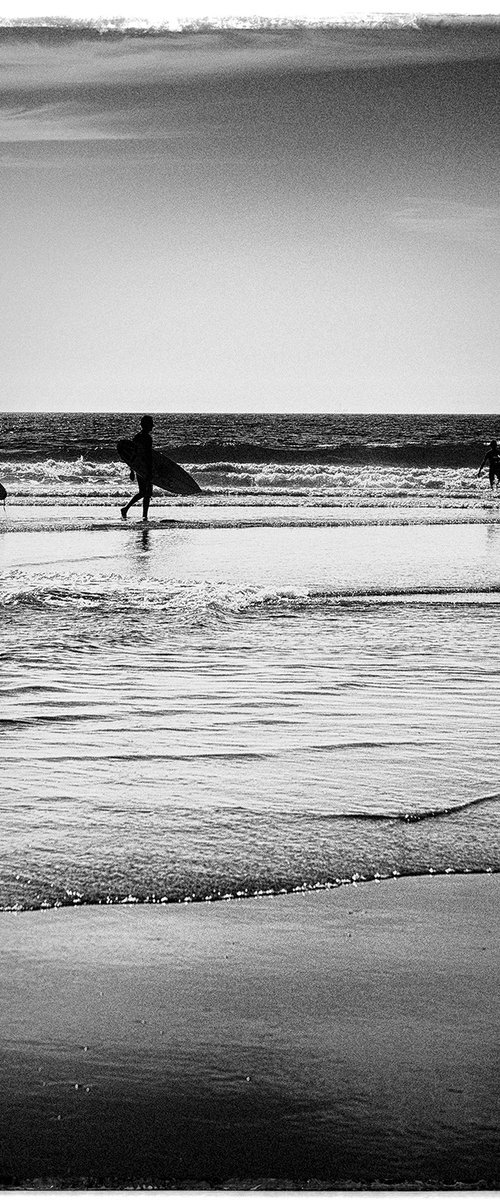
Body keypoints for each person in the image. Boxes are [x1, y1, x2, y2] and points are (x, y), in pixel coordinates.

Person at [121, 415, 154, 521]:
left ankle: (127, 509)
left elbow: (132, 455)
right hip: (145, 467)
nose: (152, 426)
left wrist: (132, 469)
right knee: (146, 493)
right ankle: (143, 515)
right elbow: (148, 455)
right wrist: (150, 470)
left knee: (143, 492)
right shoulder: (147, 438)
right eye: (151, 424)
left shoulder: (137, 437)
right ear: (146, 425)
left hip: (138, 467)